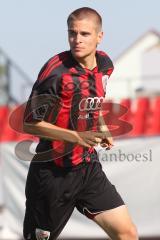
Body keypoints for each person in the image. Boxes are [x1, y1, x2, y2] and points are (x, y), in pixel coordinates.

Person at [23, 7, 138, 240]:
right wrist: (76, 137)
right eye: (72, 33)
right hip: (52, 176)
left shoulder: (105, 64)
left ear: (99, 36)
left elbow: (91, 102)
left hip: (87, 170)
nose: (77, 40)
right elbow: (29, 123)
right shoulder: (56, 72)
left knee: (127, 233)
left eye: (84, 34)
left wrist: (102, 126)